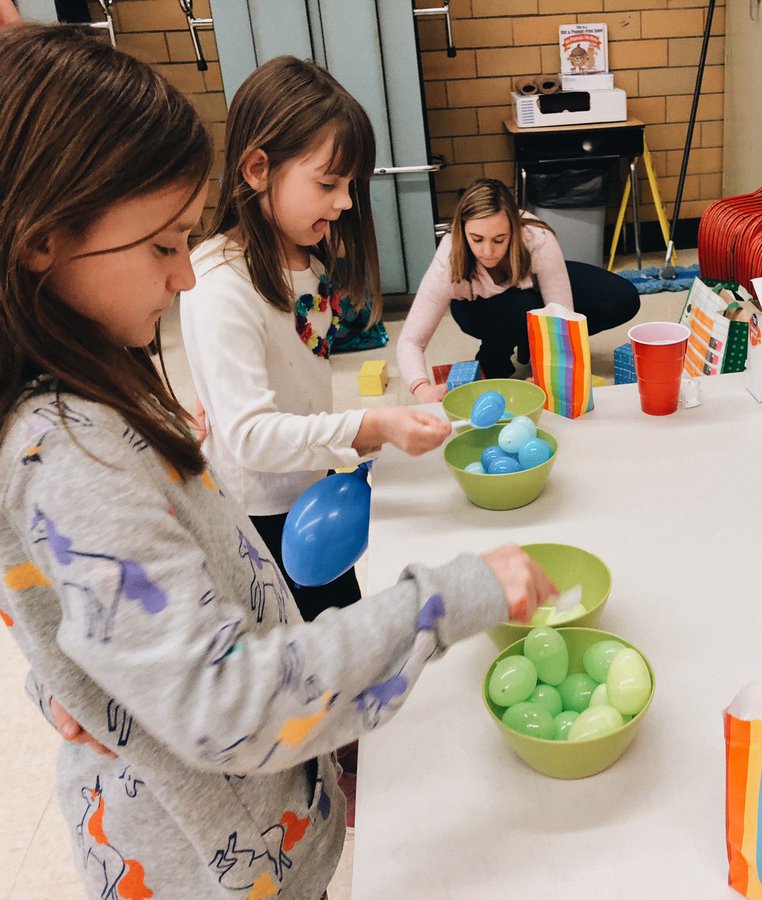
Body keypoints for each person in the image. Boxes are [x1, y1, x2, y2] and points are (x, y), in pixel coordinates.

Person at [0, 25, 554, 897]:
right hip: (215, 862)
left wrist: (69, 679)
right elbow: (232, 702)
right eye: (160, 246)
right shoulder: (69, 450)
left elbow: (65, 603)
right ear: (41, 238)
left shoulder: (90, 399)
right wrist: (449, 594)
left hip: (263, 824)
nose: (182, 279)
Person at [180, 56, 452, 623]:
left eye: (350, 186)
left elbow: (296, 372)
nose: (346, 203)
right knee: (302, 661)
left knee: (341, 633)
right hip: (258, 516)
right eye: (328, 184)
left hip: (309, 485)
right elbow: (250, 435)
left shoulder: (304, 259)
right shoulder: (217, 282)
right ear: (257, 168)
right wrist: (371, 426)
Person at [397, 178, 641, 401]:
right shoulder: (448, 260)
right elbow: (411, 340)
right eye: (477, 239)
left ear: (514, 229)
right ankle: (497, 350)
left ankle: (527, 341)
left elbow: (561, 316)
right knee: (523, 309)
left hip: (531, 288)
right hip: (478, 309)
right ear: (462, 232)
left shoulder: (536, 236)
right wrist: (421, 388)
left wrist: (549, 372)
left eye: (499, 239)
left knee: (622, 298)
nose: (488, 252)